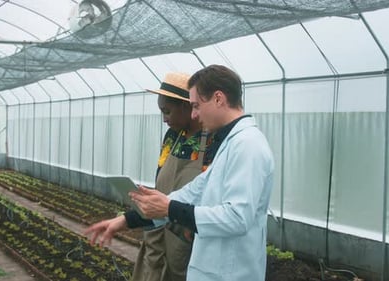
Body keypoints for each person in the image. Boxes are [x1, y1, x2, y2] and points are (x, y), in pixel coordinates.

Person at [86, 65, 274, 281]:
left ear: (218, 99)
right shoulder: (229, 144)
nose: (194, 114)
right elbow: (190, 194)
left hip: (230, 273)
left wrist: (170, 208)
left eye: (196, 106)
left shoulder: (247, 145)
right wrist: (126, 220)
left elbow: (237, 218)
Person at [84, 72, 220, 281]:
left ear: (187, 106)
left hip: (188, 238)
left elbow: (207, 197)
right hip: (158, 229)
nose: (164, 118)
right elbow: (162, 182)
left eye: (167, 111)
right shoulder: (173, 137)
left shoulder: (211, 141)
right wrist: (134, 213)